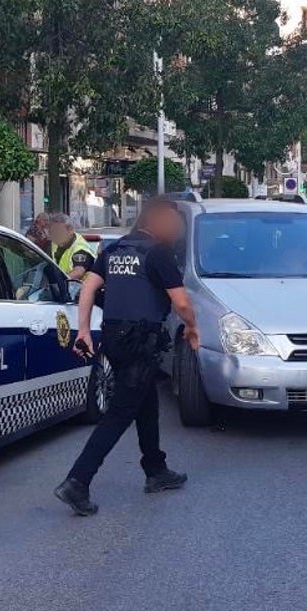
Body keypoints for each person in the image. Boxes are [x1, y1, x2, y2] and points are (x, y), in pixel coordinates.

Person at [54, 198, 199, 516]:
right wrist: (192, 329)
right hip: (140, 342)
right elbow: (182, 302)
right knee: (120, 412)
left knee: (146, 404)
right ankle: (77, 480)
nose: (177, 228)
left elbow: (88, 287)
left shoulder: (116, 249)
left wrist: (83, 331)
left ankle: (156, 470)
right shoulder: (157, 252)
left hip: (114, 339)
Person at [47, 214, 96, 281]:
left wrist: (60, 283)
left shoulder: (80, 249)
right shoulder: (52, 244)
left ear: (70, 230)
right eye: (52, 232)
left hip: (77, 289)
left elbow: (78, 271)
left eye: (59, 231)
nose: (56, 235)